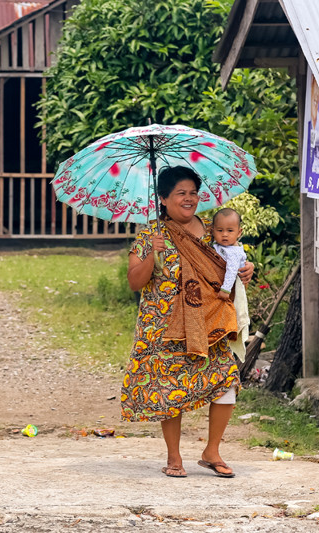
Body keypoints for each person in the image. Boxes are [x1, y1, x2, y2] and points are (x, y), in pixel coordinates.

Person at [121, 166, 254, 479]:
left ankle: (212, 451)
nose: (189, 198)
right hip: (163, 327)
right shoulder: (149, 236)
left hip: (208, 324)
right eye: (180, 193)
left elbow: (230, 267)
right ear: (164, 199)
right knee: (169, 390)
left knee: (225, 380)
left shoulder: (214, 232)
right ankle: (174, 456)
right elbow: (134, 282)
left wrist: (245, 272)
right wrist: (153, 255)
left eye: (193, 192)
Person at [211, 207, 251, 362]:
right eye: (220, 230)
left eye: (230, 230)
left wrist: (225, 289)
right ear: (213, 230)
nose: (225, 234)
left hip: (231, 288)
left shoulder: (233, 251)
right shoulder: (219, 246)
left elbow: (232, 270)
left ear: (239, 233)